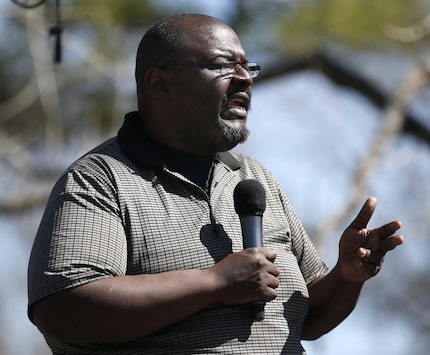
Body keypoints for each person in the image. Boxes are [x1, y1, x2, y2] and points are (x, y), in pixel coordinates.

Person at [27, 13, 404, 355]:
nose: (244, 79)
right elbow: (63, 307)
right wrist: (215, 283)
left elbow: (305, 319)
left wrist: (346, 276)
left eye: (247, 67)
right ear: (160, 83)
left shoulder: (256, 179)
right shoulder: (101, 178)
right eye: (224, 65)